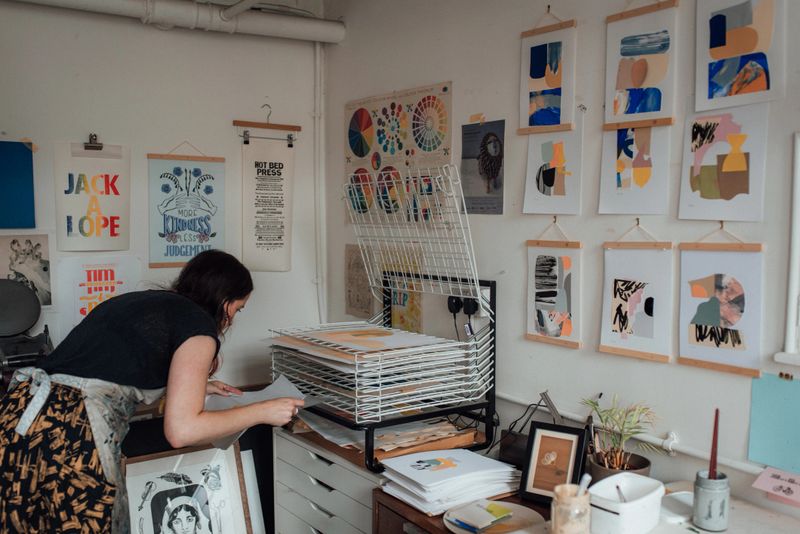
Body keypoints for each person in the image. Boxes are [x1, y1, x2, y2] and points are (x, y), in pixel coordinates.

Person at [0, 249, 304, 533]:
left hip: (18, 420)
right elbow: (182, 431)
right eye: (237, 309)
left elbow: (111, 370)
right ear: (224, 301)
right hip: (71, 436)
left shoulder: (142, 302)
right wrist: (263, 411)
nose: (232, 319)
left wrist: (197, 385)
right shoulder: (199, 326)